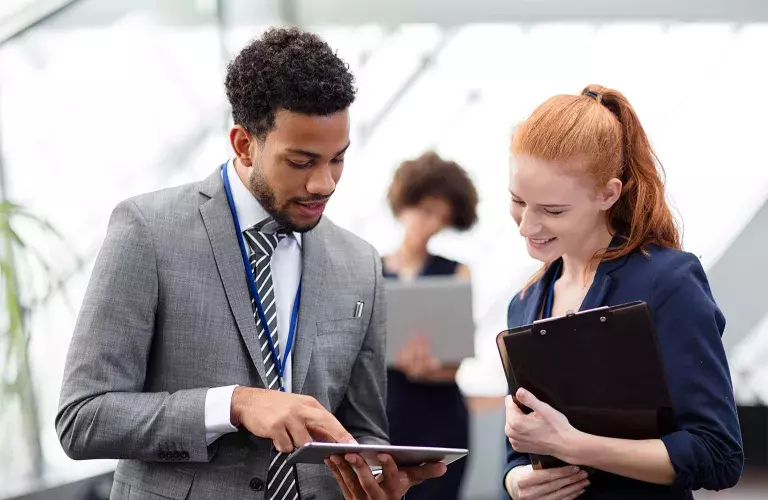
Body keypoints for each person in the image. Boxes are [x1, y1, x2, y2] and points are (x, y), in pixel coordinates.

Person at [56, 27, 444, 500]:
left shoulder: (359, 262)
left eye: (337, 159)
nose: (324, 183)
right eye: (301, 161)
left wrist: (379, 477)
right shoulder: (148, 230)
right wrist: (235, 404)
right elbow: (82, 418)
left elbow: (363, 431)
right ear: (243, 144)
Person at [502, 85, 743, 499]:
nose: (526, 226)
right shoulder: (524, 304)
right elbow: (518, 456)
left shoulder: (667, 282)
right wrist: (517, 483)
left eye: (552, 210)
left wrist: (574, 445)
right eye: (518, 201)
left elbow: (717, 453)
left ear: (607, 194)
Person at [382, 151, 478, 500]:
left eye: (441, 217)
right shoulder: (369, 270)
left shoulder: (456, 272)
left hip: (441, 419)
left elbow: (457, 358)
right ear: (404, 204)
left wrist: (431, 368)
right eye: (426, 211)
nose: (432, 224)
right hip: (385, 415)